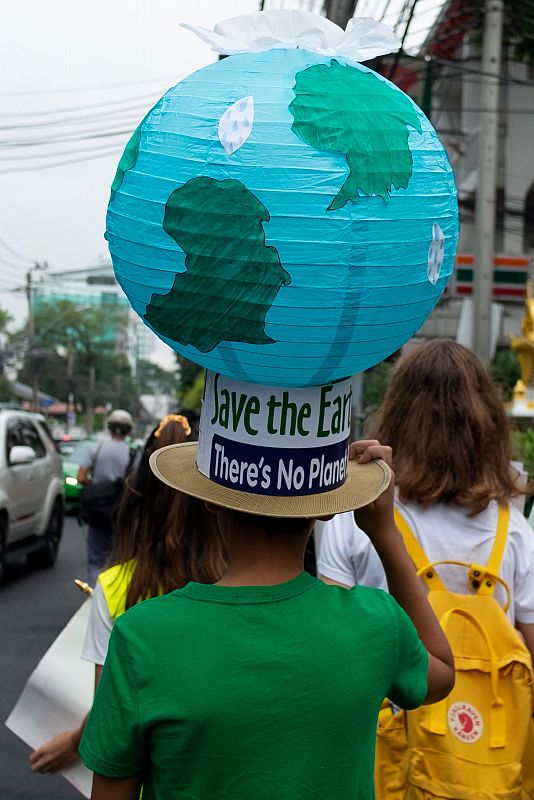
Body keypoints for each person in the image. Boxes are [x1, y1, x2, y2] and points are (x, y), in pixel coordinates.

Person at [78, 437, 454, 800]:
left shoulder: (142, 635)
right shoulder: (376, 623)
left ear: (211, 499)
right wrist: (385, 532)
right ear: (327, 506)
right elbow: (442, 672)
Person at [29, 413, 226, 776]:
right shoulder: (241, 583)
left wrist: (73, 742)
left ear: (138, 494)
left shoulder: (117, 587)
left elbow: (112, 724)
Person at [319, 340, 534, 661]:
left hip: (386, 707)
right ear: (485, 422)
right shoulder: (514, 530)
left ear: (396, 413)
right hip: (490, 710)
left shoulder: (358, 517)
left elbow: (331, 638)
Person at [78, 408, 135, 586]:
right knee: (116, 556)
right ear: (129, 430)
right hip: (120, 511)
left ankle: (94, 594)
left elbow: (81, 477)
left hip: (97, 510)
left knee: (96, 557)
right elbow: (134, 485)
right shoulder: (133, 454)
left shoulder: (95, 448)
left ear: (109, 428)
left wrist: (96, 488)